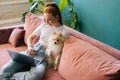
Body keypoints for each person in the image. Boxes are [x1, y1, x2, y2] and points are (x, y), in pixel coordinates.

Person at [0, 2, 69, 80]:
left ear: (57, 17)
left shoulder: (63, 31)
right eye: (45, 19)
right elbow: (30, 37)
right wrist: (29, 47)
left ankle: (7, 78)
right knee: (4, 70)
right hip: (33, 50)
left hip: (44, 56)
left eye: (49, 19)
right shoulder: (43, 26)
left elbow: (62, 47)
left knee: (36, 76)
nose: (46, 21)